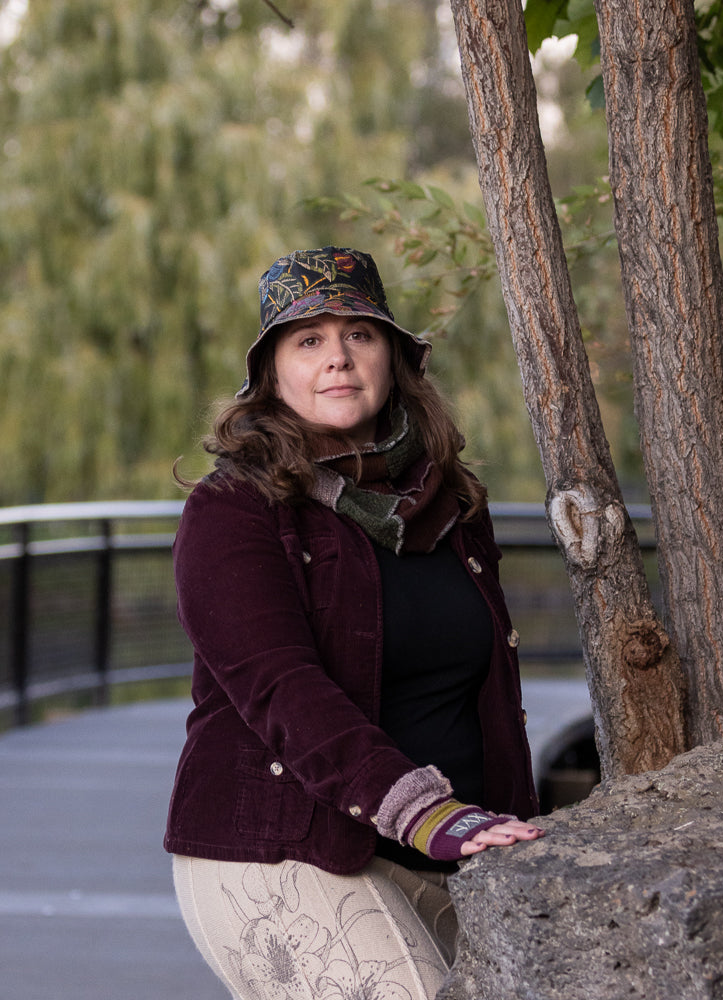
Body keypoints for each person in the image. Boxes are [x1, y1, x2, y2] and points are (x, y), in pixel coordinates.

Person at [164, 246, 545, 1000]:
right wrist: (423, 810)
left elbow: (492, 691)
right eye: (308, 340)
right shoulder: (234, 511)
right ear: (272, 375)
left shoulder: (453, 502)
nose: (338, 358)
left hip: (448, 849)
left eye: (360, 335)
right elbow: (281, 688)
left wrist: (496, 827)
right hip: (282, 847)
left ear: (394, 359)